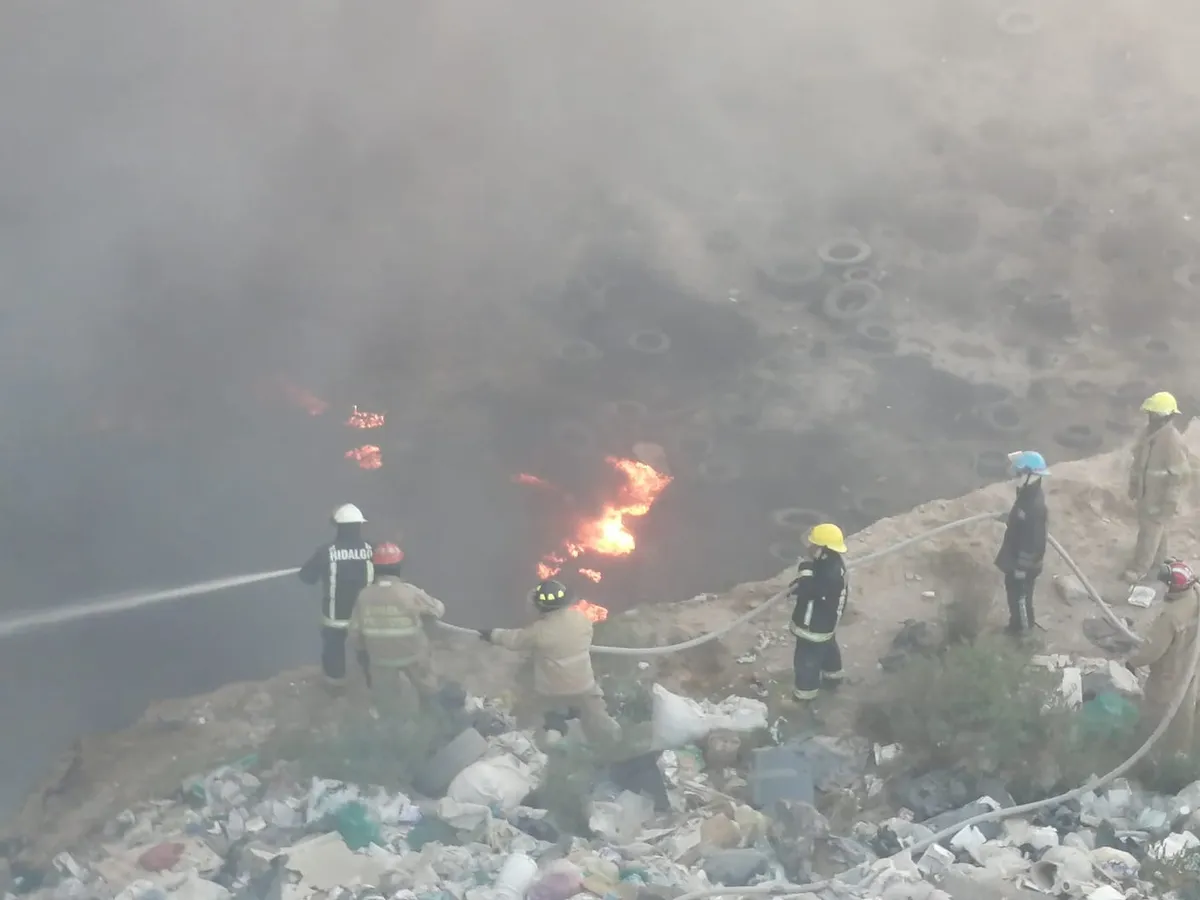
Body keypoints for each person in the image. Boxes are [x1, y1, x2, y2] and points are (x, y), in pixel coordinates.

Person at [480, 578, 621, 747]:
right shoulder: (582, 620)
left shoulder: (538, 631)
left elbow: (514, 640)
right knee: (598, 716)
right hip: (583, 686)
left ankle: (552, 739)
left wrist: (492, 635)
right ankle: (615, 741)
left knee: (546, 716)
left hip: (552, 692)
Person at [348, 541, 446, 715]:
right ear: (398, 567)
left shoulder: (363, 596)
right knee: (429, 689)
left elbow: (354, 633)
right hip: (413, 655)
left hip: (380, 659)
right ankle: (431, 714)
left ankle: (390, 724)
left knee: (386, 700)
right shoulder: (409, 592)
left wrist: (364, 652)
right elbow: (438, 610)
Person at [1124, 558, 1200, 760]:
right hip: (1190, 666)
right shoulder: (1195, 595)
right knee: (1184, 710)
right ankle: (1181, 752)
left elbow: (1153, 649)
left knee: (1155, 709)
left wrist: (1132, 662)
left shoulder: (1170, 616)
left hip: (1169, 674)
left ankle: (1146, 752)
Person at [298, 504, 374, 688]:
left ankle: (336, 686)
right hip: (366, 616)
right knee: (368, 649)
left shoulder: (326, 552)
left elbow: (306, 578)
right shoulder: (372, 549)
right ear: (359, 525)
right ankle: (371, 682)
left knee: (334, 650)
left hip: (335, 617)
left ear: (338, 526)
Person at [1125, 391, 1192, 583]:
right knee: (1157, 530)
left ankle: (1139, 569)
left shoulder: (1172, 441)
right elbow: (1139, 464)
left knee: (1149, 533)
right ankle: (1159, 560)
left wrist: (1169, 503)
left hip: (1159, 499)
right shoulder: (1149, 434)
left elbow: (1179, 477)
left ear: (1164, 417)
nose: (1149, 417)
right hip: (1146, 495)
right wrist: (1134, 485)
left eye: (1153, 414)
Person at [789, 523, 849, 702]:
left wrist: (804, 569)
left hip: (814, 627)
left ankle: (803, 699)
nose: (810, 546)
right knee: (827, 648)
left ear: (823, 547)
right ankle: (833, 678)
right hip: (827, 623)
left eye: (813, 543)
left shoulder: (829, 572)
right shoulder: (832, 562)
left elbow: (810, 589)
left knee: (806, 661)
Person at [994, 450, 1049, 636]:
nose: (1014, 476)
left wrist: (1021, 568)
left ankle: (1024, 634)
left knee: (1021, 599)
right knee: (1013, 595)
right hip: (1016, 558)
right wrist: (1011, 518)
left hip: (1024, 564)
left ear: (1029, 475)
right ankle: (1015, 625)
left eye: (1018, 472)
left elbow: (1034, 542)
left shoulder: (1033, 506)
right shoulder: (1027, 494)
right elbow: (1022, 524)